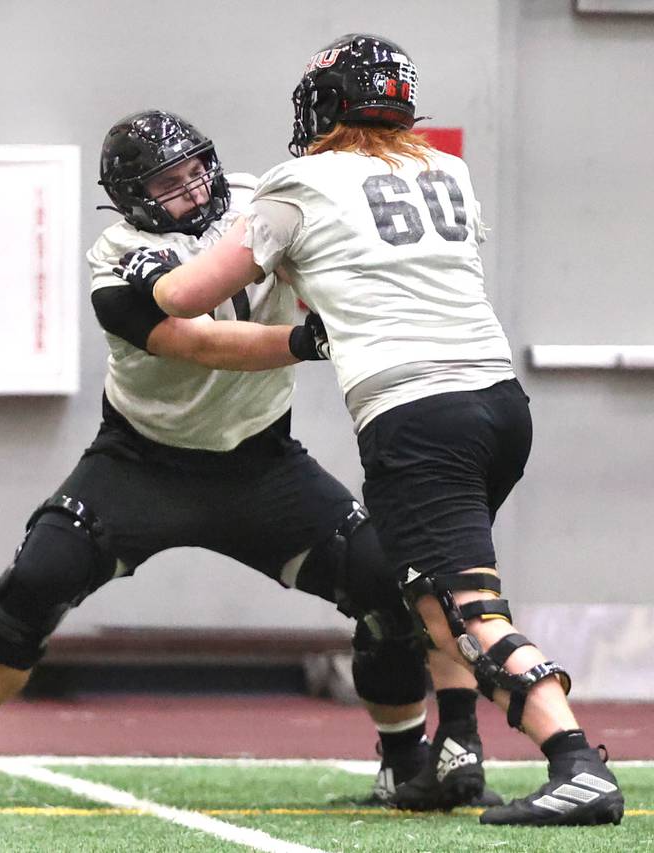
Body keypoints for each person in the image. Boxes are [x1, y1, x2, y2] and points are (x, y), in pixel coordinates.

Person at [0, 108, 495, 809]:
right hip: (142, 461)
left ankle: (403, 758)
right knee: (35, 579)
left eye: (198, 170)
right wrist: (314, 342)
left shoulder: (266, 202)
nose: (196, 190)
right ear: (133, 196)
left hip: (263, 461)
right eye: (171, 183)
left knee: (385, 580)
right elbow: (193, 343)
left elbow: (330, 256)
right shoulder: (114, 256)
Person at [117, 37, 626, 828]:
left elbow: (184, 296)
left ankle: (575, 760)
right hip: (498, 404)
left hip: (418, 415)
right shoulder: (444, 169)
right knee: (432, 589)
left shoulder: (298, 182)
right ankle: (459, 747)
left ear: (326, 105)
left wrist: (145, 268)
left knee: (465, 608)